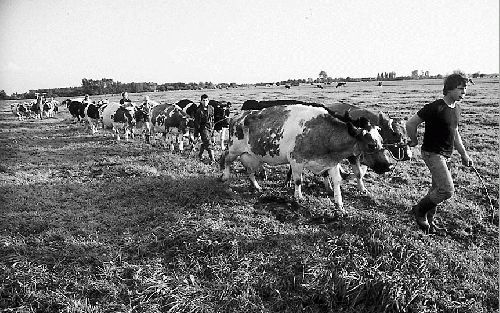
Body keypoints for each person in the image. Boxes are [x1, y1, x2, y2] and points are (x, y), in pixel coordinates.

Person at [406, 73, 473, 234]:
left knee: (436, 190)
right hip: (432, 153)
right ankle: (419, 210)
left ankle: (429, 221)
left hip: (445, 155)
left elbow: (455, 133)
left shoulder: (456, 108)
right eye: (460, 89)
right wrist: (414, 140)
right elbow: (411, 123)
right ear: (449, 89)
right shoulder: (435, 107)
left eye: (465, 89)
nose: (464, 92)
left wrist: (464, 154)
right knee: (447, 190)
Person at [194, 94, 215, 163]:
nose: (205, 102)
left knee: (205, 142)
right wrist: (196, 134)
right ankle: (212, 159)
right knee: (208, 143)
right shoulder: (198, 111)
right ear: (201, 101)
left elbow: (212, 120)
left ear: (208, 101)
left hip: (210, 128)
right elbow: (197, 123)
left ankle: (199, 155)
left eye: (206, 100)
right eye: (203, 100)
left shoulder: (211, 108)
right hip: (203, 128)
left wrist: (213, 133)